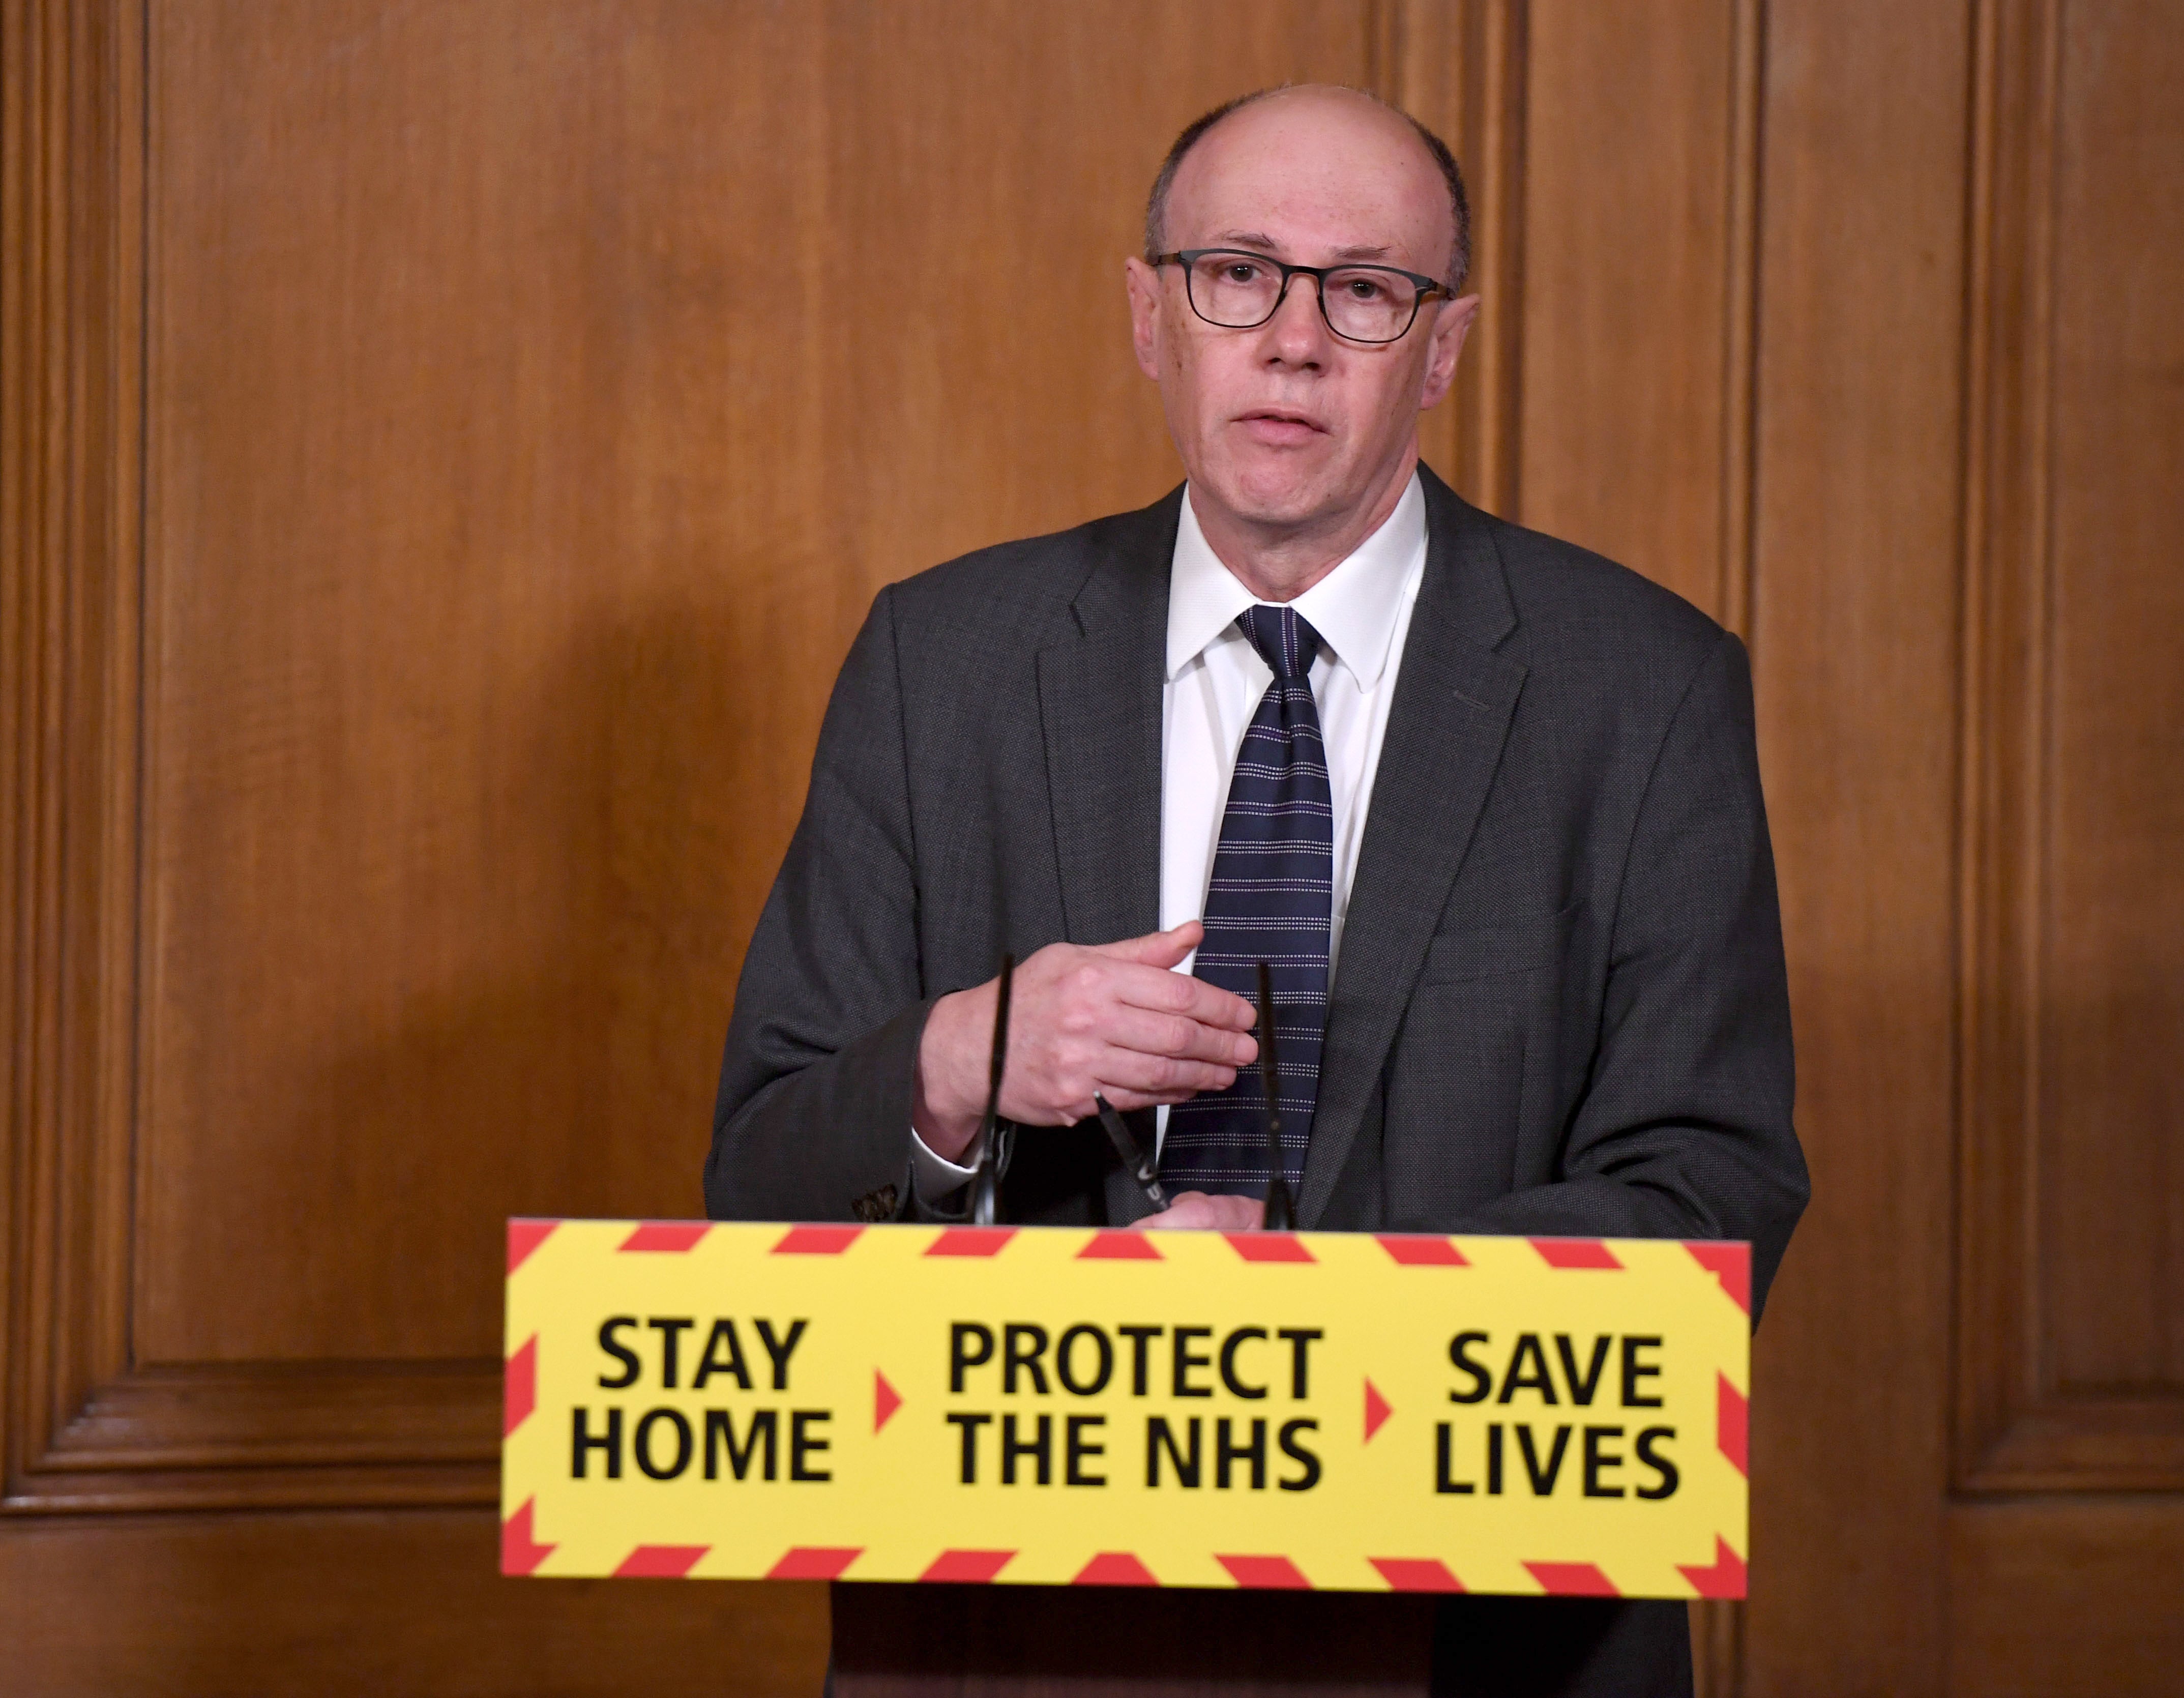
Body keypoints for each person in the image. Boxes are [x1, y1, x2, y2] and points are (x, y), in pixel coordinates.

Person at [708, 83, 1807, 1698]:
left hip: (1485, 1638)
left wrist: (1314, 1331)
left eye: (1364, 290)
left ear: (1440, 348)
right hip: (1011, 1634)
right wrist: (962, 1061)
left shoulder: (1643, 690)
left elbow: (1710, 1197)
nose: (1294, 338)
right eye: (1238, 273)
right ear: (1150, 312)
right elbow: (757, 1185)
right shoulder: (935, 663)